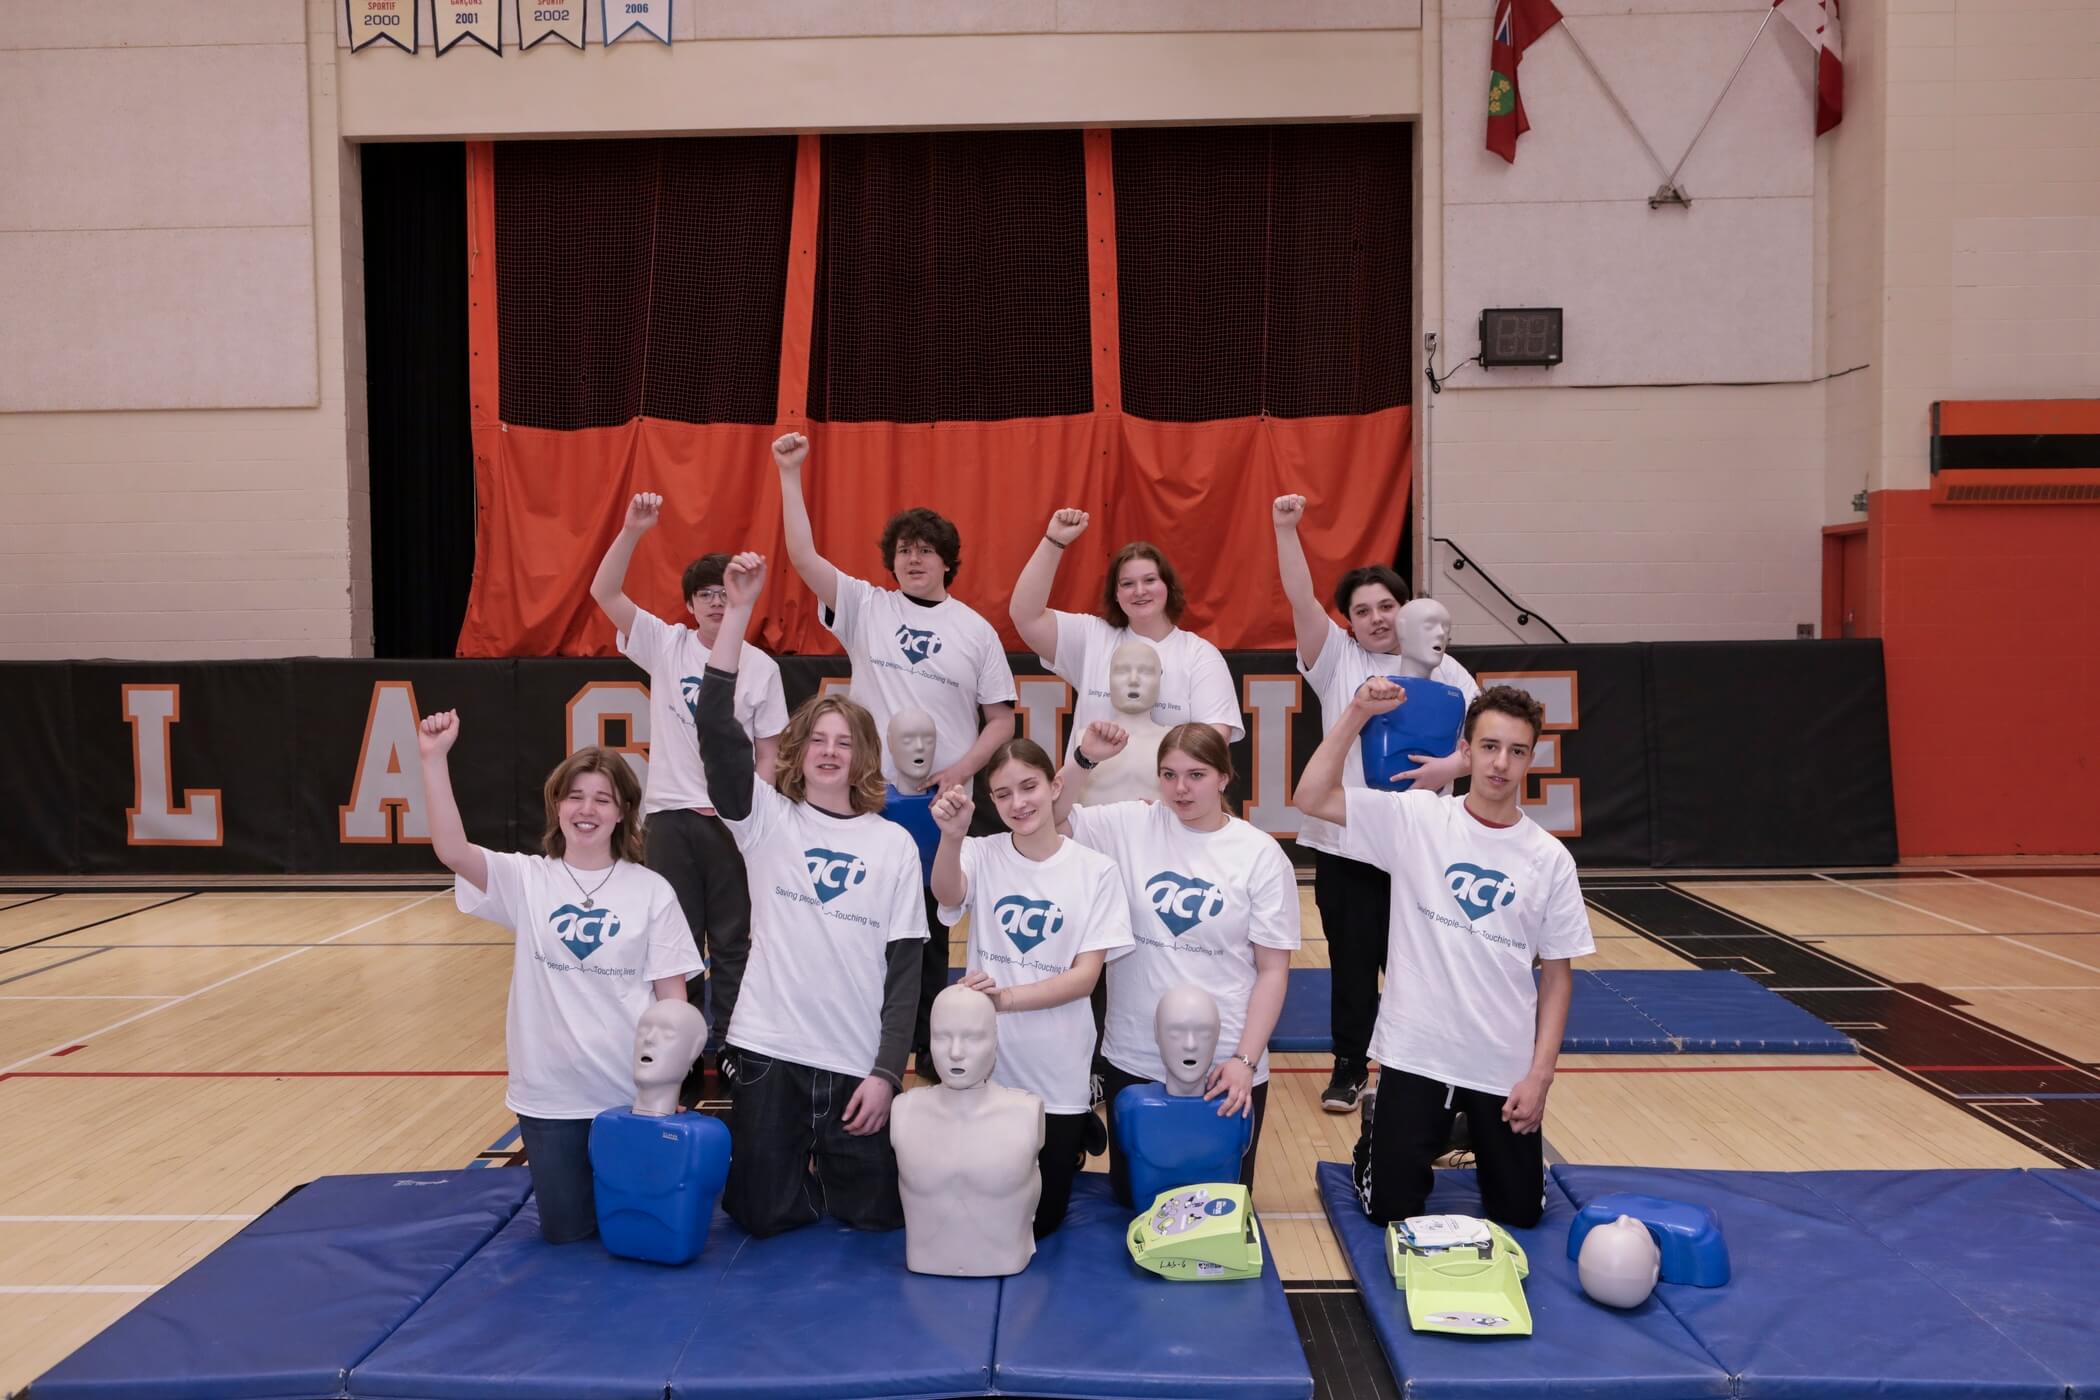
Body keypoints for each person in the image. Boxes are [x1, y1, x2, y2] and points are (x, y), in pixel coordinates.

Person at [1293, 681, 1593, 1229]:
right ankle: (1380, 1138)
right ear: (1467, 750)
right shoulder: (1418, 820)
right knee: (1392, 1210)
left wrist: (1539, 1076)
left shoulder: (1549, 859)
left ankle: (1460, 1128)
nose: (1501, 764)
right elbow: (1311, 797)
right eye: (1489, 747)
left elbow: (1556, 976)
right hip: (1416, 1053)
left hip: (1500, 1063)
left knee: (1521, 1213)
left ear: (1531, 757)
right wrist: (1357, 712)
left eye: (1517, 751)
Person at [696, 551, 929, 1237]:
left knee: (874, 1219)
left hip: (855, 1063)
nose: (831, 752)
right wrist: (736, 614)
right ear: (799, 750)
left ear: (863, 757)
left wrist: (888, 1073)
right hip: (770, 1051)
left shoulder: (891, 844)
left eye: (845, 742)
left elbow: (906, 973)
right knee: (761, 1217)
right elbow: (716, 731)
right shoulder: (767, 820)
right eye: (818, 740)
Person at [773, 431, 1016, 1079]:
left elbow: (1000, 719)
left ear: (947, 563)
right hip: (871, 800)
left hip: (943, 806)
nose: (914, 560)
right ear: (892, 561)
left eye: (926, 552)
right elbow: (801, 555)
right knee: (865, 920)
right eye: (904, 551)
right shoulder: (865, 607)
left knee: (931, 934)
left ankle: (935, 1052)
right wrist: (789, 474)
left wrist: (961, 770)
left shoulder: (975, 630)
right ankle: (860, 1042)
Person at [416, 711, 701, 1244]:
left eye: (602, 798)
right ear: (557, 806)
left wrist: (668, 1086)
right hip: (548, 1098)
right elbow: (451, 850)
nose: (586, 809)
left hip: (628, 1096)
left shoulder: (652, 890)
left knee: (635, 1239)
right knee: (568, 1238)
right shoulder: (528, 880)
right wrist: (433, 760)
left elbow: (673, 1001)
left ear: (623, 813)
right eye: (575, 796)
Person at [1272, 492, 1479, 1114]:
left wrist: (1452, 766)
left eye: (1387, 605)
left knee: (1423, 961)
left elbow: (1486, 745)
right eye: (1362, 610)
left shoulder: (1451, 675)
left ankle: (1419, 1070)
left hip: (1423, 842)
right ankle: (1347, 1067)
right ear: (1350, 623)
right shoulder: (1336, 658)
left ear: (1407, 608)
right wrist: (1286, 530)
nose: (1377, 618)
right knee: (1354, 962)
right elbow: (1300, 599)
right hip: (1348, 841)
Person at [590, 491, 788, 1093]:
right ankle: (683, 1046)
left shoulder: (761, 668)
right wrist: (631, 530)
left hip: (732, 825)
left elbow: (770, 753)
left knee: (734, 940)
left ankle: (728, 1045)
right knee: (675, 942)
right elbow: (604, 594)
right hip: (672, 818)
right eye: (705, 594)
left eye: (725, 593)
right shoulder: (666, 645)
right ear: (688, 605)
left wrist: (753, 815)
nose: (716, 602)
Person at [1053, 719, 1298, 1205]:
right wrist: (1084, 759)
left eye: (1196, 775)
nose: (1180, 788)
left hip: (1223, 1065)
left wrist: (1244, 1061)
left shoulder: (1259, 855)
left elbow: (1273, 970)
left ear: (1224, 776)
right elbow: (1051, 817)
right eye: (1168, 775)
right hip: (1135, 1056)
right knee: (1133, 1201)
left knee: (1214, 1208)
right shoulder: (1131, 825)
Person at [927, 738, 1132, 1236]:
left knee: (1043, 1220)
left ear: (1054, 785)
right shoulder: (981, 852)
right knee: (986, 1204)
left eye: (1029, 787)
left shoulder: (1096, 870)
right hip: (988, 1062)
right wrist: (951, 837)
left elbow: (1085, 979)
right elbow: (947, 894)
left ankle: (1077, 1120)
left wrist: (1006, 1000)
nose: (1018, 803)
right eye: (1002, 795)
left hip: (1058, 1062)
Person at [1010, 509, 1242, 762]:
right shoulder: (1093, 637)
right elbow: (1026, 616)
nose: (1139, 591)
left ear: (1168, 586)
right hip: (1088, 799)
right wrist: (1054, 542)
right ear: (1115, 594)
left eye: (1150, 580)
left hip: (1166, 800)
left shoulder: (1199, 655)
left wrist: (1174, 785)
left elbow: (1215, 740)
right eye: (1127, 584)